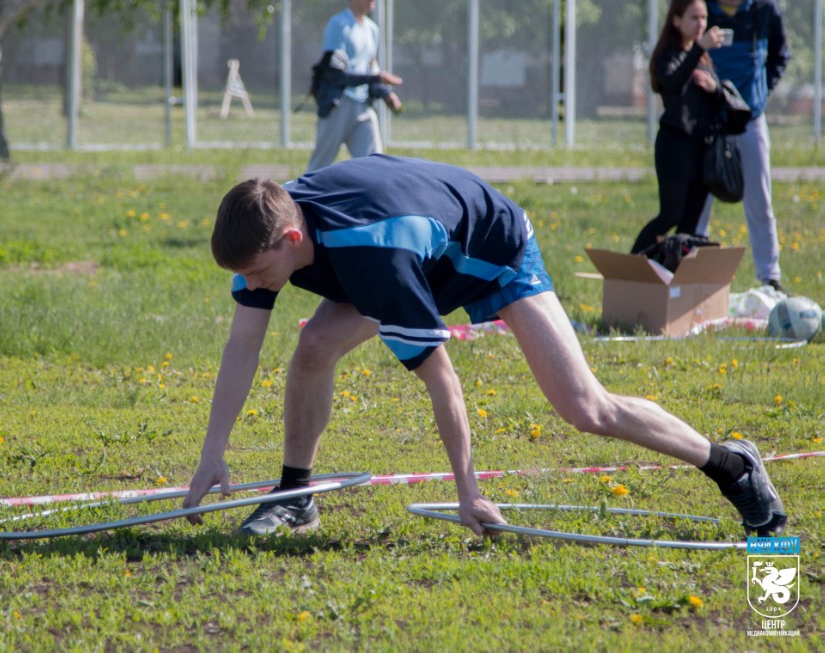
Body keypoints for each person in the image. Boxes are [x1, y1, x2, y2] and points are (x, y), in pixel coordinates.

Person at [182, 154, 787, 540]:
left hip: (495, 250)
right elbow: (242, 345)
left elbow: (442, 378)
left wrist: (467, 491)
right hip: (406, 243)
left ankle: (732, 465)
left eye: (258, 272)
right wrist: (212, 451)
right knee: (314, 346)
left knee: (585, 407)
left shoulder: (377, 258)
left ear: (292, 239)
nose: (252, 283)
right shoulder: (269, 227)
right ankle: (295, 495)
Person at [696, 0, 791, 293]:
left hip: (750, 117)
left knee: (760, 200)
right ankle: (694, 275)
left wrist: (760, 92)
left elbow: (780, 55)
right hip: (710, 118)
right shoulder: (703, 9)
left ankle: (770, 277)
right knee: (698, 201)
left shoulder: (764, 9)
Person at [631, 0, 725, 256]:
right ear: (676, 20)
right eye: (694, 18)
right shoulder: (668, 55)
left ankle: (673, 273)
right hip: (675, 147)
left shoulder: (703, 57)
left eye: (704, 18)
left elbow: (717, 102)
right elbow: (671, 83)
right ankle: (631, 266)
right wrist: (699, 48)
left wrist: (715, 89)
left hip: (702, 150)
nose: (701, 24)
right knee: (670, 215)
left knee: (690, 224)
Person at [305, 0, 403, 173]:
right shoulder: (338, 24)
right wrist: (376, 77)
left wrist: (385, 93)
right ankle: (296, 192)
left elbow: (370, 69)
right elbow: (335, 74)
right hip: (338, 106)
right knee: (319, 169)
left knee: (375, 166)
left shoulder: (372, 29)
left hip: (363, 107)